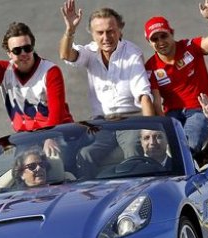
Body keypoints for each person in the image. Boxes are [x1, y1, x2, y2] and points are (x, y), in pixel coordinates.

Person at [0, 15, 74, 156]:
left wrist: (50, 137)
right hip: (27, 140)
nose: (23, 54)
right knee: (19, 173)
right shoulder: (4, 72)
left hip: (58, 134)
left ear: (33, 48)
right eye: (17, 51)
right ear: (9, 54)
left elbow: (57, 111)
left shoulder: (50, 71)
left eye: (27, 48)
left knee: (54, 166)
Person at [59, 1, 155, 176]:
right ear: (93, 35)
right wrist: (70, 30)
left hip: (130, 121)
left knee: (133, 151)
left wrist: (150, 129)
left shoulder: (132, 53)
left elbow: (144, 95)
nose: (106, 37)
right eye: (100, 33)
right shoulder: (90, 51)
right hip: (100, 124)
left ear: (120, 30)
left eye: (110, 31)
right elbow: (66, 55)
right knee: (84, 154)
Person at [144, 0, 208, 154]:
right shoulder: (151, 67)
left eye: (164, 36)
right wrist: (164, 128)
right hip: (172, 115)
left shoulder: (191, 47)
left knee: (187, 146)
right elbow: (156, 103)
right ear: (148, 42)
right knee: (165, 150)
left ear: (172, 33)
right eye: (155, 39)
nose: (161, 42)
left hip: (199, 110)